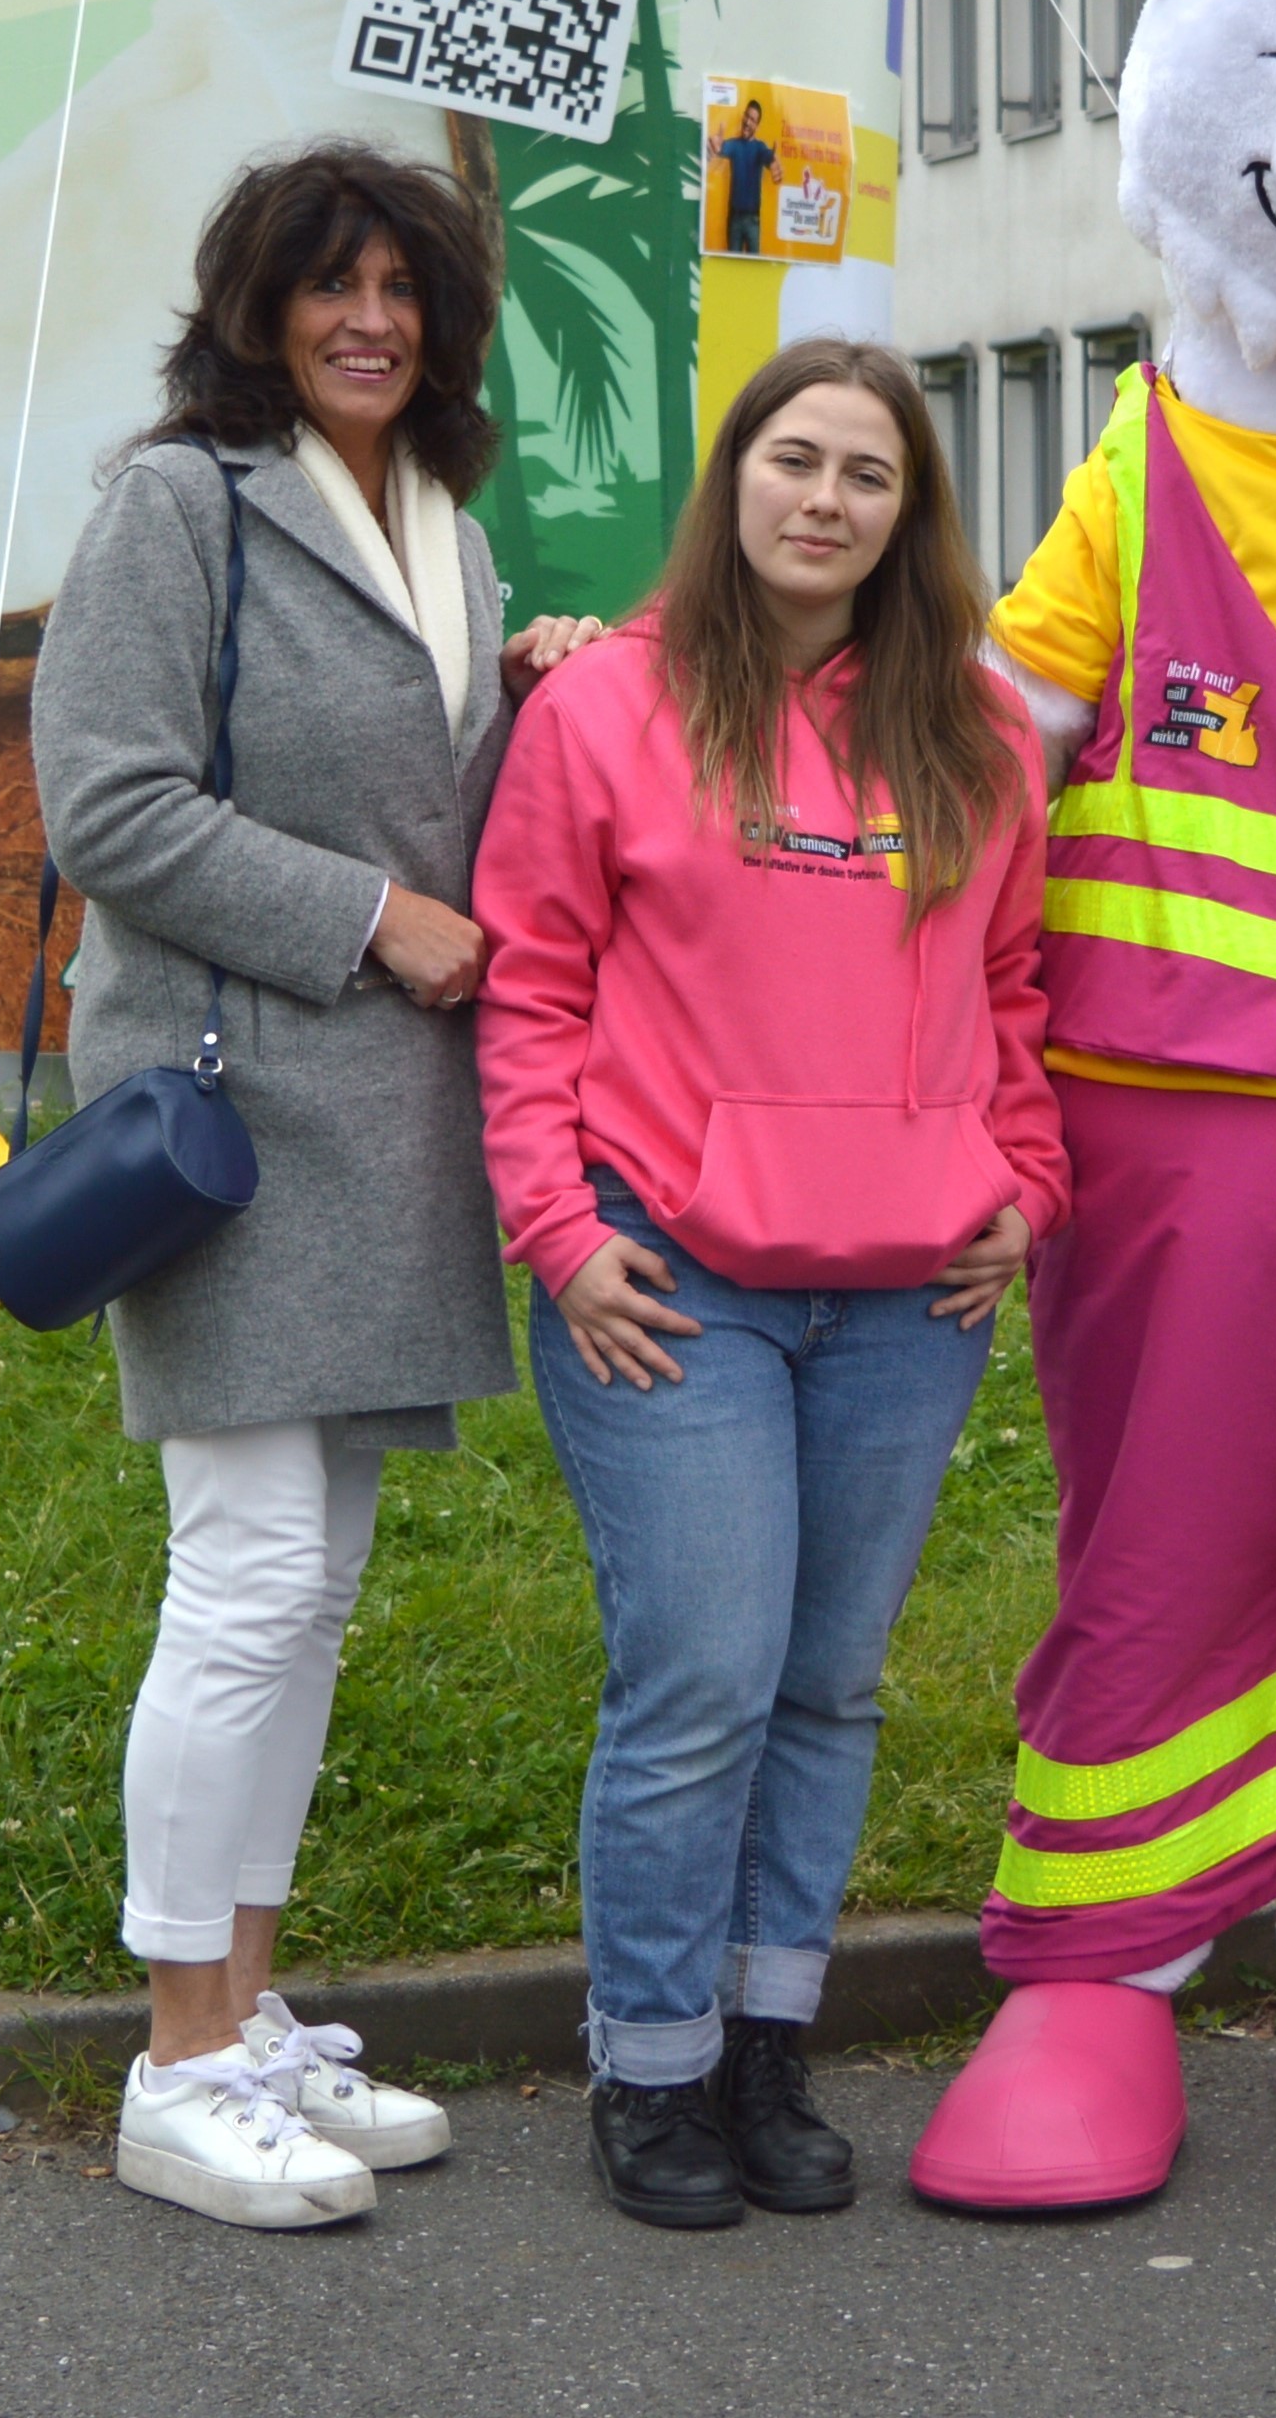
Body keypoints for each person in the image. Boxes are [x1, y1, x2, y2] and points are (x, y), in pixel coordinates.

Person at [471, 341, 1059, 2229]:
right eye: (793, 461)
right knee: (704, 1682)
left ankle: (764, 2050)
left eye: (866, 476)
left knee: (828, 1690)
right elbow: (527, 989)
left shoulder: (974, 731)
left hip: (909, 1300)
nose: (824, 498)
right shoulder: (607, 707)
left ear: (910, 515)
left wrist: (1028, 1185)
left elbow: (1024, 994)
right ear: (734, 482)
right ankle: (647, 2070)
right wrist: (561, 1238)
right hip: (678, 1281)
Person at [32, 141, 529, 2230]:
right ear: (255, 305)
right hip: (233, 1108)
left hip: (379, 1122)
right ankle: (172, 2055)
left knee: (309, 1586)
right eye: (329, 284)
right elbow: (108, 799)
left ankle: (242, 2012)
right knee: (241, 1574)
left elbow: (441, 803)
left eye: (402, 285)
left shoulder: (442, 521)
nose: (369, 317)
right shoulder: (179, 500)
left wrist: (550, 695)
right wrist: (372, 920)